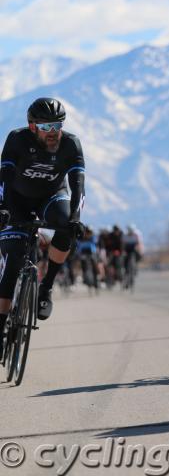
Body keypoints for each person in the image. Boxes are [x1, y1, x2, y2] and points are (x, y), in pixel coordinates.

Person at [0, 97, 85, 357]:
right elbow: (3, 177)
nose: (53, 132)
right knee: (13, 261)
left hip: (52, 197)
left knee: (66, 226)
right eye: (46, 126)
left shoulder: (70, 144)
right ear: (32, 126)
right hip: (17, 199)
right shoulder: (17, 139)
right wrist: (3, 207)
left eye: (57, 126)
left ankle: (46, 286)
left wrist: (75, 217)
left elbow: (79, 185)